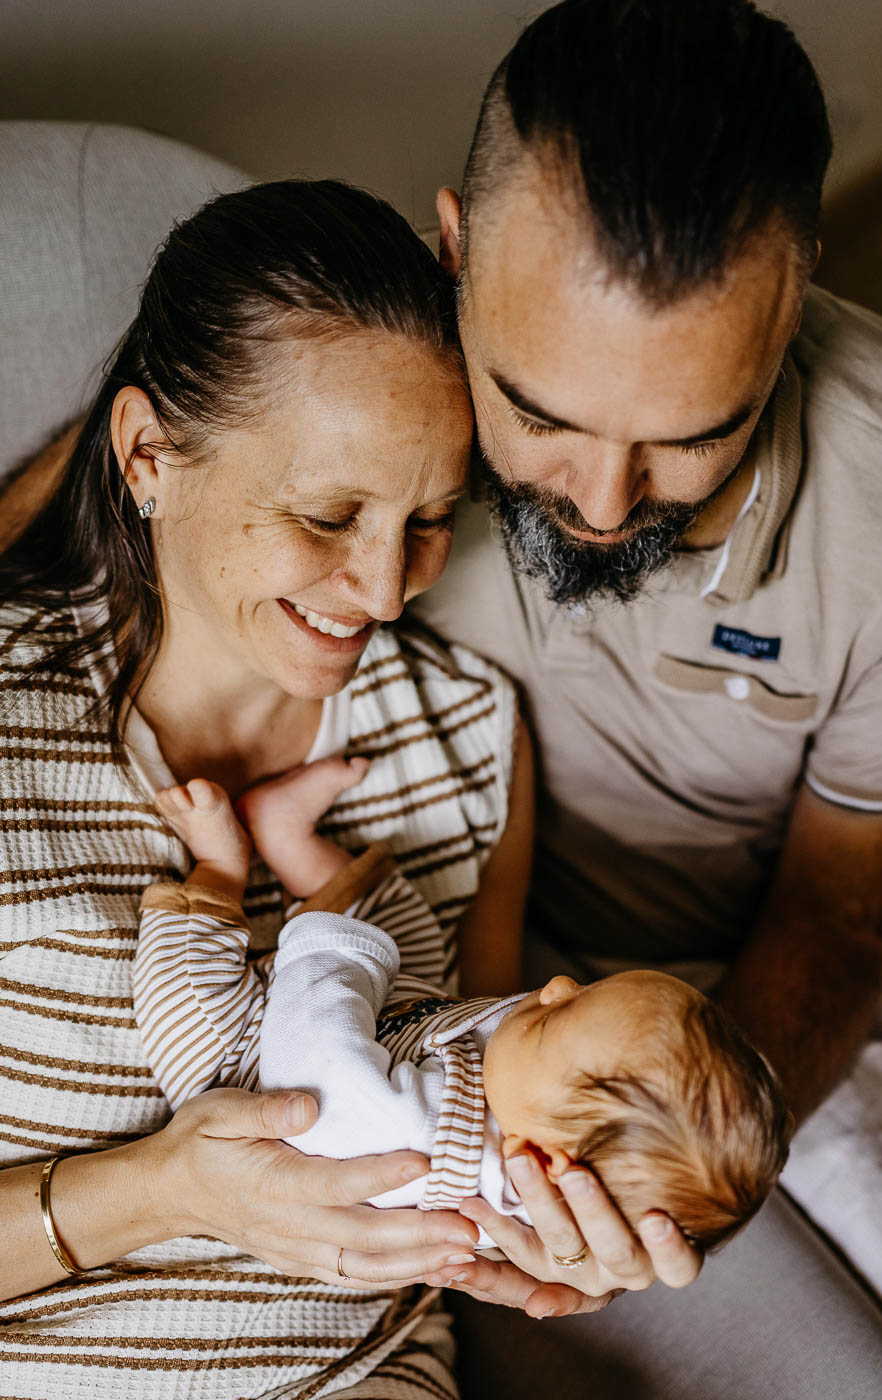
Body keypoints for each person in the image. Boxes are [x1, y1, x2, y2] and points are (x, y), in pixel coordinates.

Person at [403, 0, 882, 1390]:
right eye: (540, 416)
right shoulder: (355, 365)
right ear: (452, 255)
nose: (596, 502)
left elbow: (839, 909)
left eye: (692, 439)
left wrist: (645, 1169)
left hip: (728, 1003)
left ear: (791, 316)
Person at [0, 175, 578, 1399]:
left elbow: (470, 1110)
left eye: (430, 518)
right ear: (149, 453)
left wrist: (569, 1208)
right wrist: (170, 1185)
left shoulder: (468, 740)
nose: (382, 590)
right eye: (327, 515)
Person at [129, 766, 790, 1275]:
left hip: (264, 1064)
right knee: (412, 929)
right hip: (409, 1028)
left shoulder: (414, 1139)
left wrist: (326, 944)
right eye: (583, 988)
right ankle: (288, 837)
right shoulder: (538, 1100)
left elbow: (316, 1064)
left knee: (186, 1004)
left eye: (550, 1021)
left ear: (537, 1159)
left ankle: (220, 871)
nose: (554, 986)